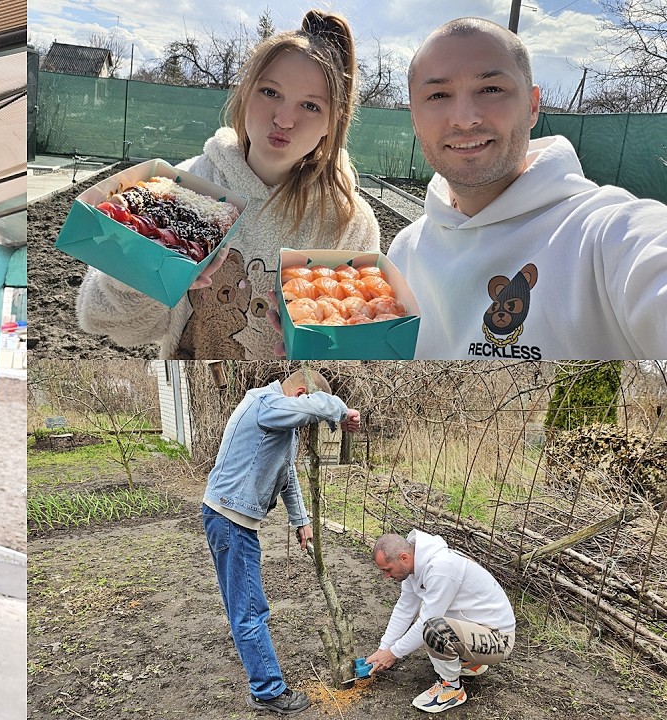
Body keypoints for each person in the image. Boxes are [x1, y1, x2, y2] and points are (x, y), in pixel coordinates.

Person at [77, 10, 380, 360]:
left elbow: (358, 342)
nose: (283, 119)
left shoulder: (349, 222)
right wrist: (143, 271)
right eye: (270, 92)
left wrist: (325, 350)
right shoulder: (182, 190)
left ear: (334, 120)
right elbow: (105, 321)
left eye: (310, 105)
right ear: (245, 92)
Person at [387, 17, 667, 359]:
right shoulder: (404, 252)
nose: (464, 117)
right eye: (438, 94)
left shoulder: (605, 235)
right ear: (414, 118)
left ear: (532, 106)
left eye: (491, 89)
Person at [203, 368, 361, 715]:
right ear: (300, 393)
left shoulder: (279, 418)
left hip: (227, 517)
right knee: (250, 611)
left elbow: (286, 472)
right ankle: (268, 691)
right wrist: (340, 410)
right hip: (231, 520)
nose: (305, 425)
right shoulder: (265, 404)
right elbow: (310, 409)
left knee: (244, 607)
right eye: (307, 406)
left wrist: (300, 520)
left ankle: (258, 670)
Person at [365, 531, 516, 714]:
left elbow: (425, 622)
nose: (386, 577)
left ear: (403, 558)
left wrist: (394, 653)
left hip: (498, 641)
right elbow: (404, 608)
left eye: (387, 570)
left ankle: (452, 689)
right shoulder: (414, 568)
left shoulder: (441, 568)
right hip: (481, 631)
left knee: (434, 629)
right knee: (430, 620)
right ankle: (470, 662)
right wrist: (384, 648)